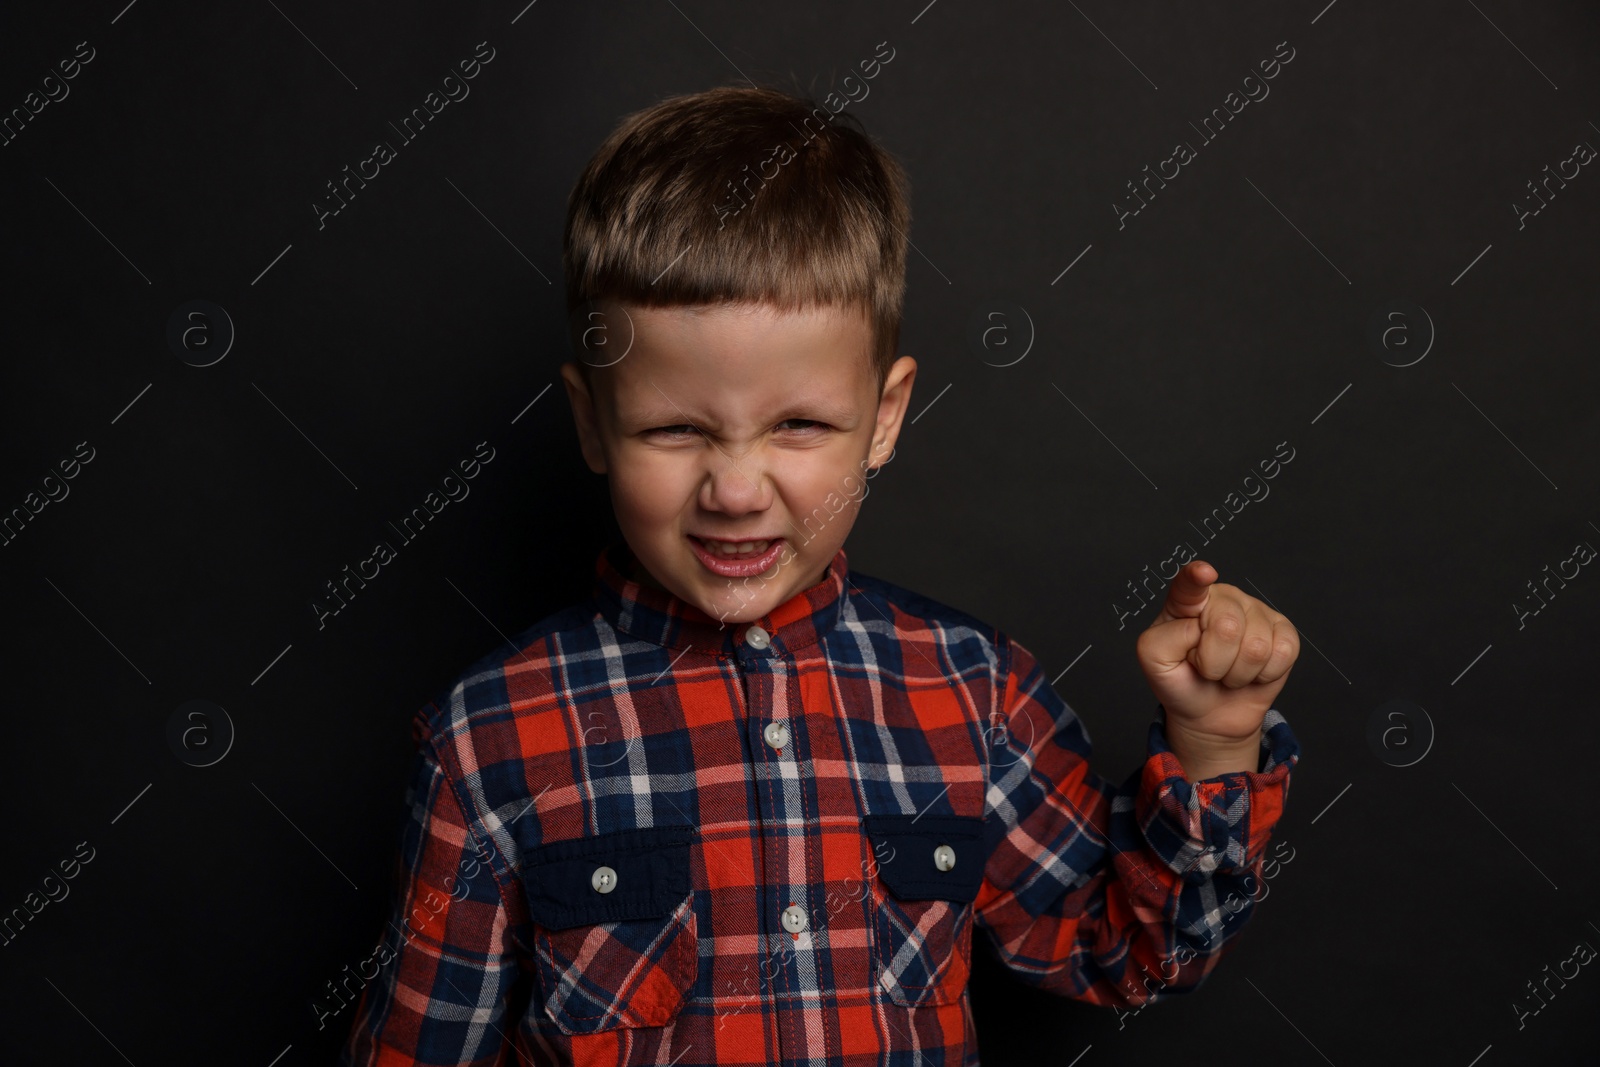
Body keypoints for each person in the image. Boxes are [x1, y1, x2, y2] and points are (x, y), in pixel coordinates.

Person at [339, 83, 1302, 1066]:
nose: (736, 487)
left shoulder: (973, 695)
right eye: (675, 429)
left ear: (883, 417)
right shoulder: (486, 741)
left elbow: (1132, 953)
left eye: (799, 425)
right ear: (592, 422)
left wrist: (1215, 742)